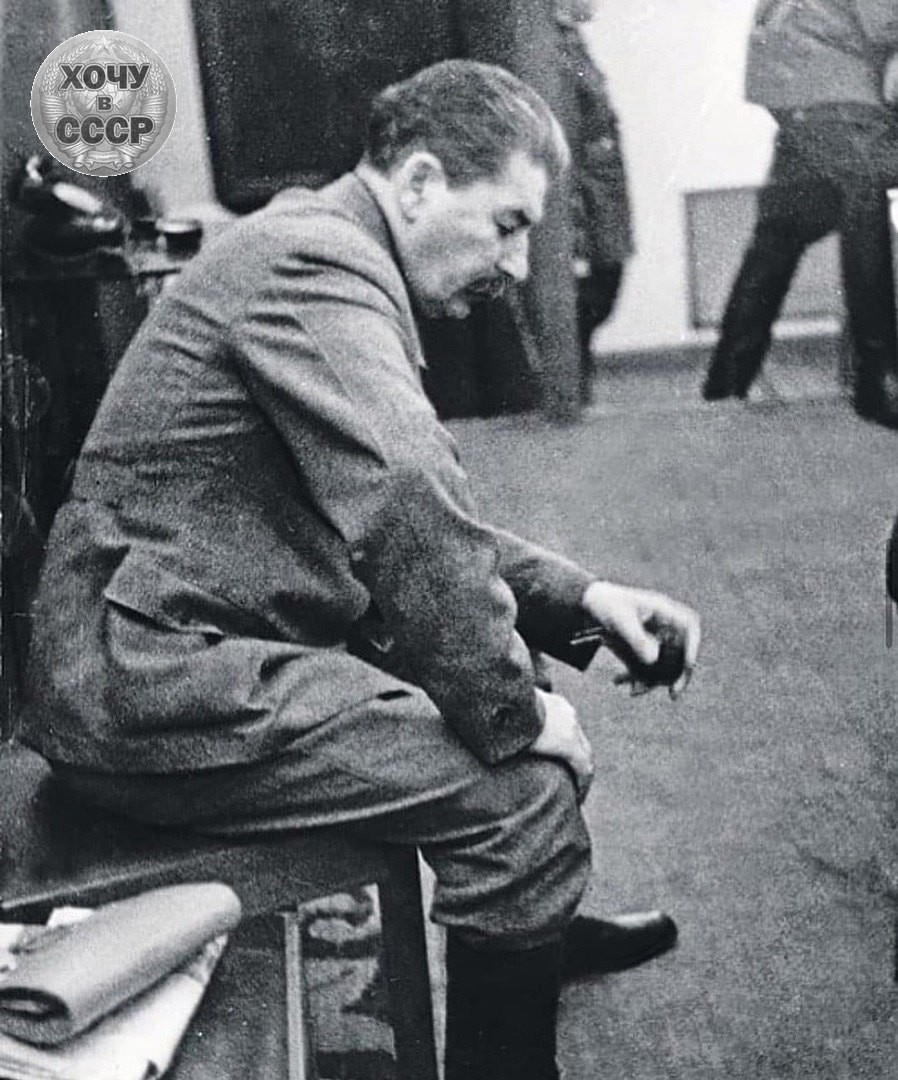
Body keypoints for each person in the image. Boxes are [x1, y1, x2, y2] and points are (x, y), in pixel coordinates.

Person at [19, 61, 701, 1080]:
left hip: (179, 644)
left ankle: (529, 923)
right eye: (507, 223)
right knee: (518, 785)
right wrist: (515, 718)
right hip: (148, 686)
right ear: (418, 182)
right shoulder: (315, 263)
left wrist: (581, 602)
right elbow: (404, 496)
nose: (518, 263)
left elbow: (400, 518)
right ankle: (521, 932)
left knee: (493, 655)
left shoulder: (315, 245)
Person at [701, 0, 898, 428]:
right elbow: (883, 17)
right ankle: (879, 381)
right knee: (866, 198)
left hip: (796, 68)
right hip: (831, 71)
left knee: (784, 229)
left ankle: (726, 381)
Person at [554, 0, 634, 404]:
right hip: (584, 189)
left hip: (602, 187)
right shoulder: (550, 49)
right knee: (590, 297)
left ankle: (576, 386)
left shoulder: (571, 41)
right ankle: (573, 390)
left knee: (604, 287)